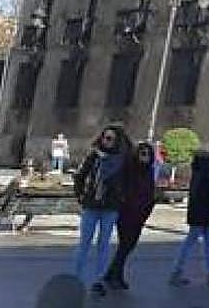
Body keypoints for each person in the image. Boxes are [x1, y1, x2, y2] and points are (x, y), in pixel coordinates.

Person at [72, 126, 129, 297]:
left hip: (110, 207)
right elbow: (80, 175)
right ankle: (76, 278)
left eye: (110, 139)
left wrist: (122, 198)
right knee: (84, 243)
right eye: (105, 138)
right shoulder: (95, 156)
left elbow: (127, 182)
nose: (106, 141)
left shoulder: (122, 160)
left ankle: (98, 280)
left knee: (103, 245)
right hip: (91, 205)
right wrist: (80, 195)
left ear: (117, 140)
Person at [169, 136, 209, 286]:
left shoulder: (200, 163)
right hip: (205, 207)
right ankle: (177, 270)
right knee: (193, 240)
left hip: (197, 205)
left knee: (206, 239)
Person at [103, 141, 157, 291]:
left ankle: (111, 273)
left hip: (141, 213)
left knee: (128, 246)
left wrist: (150, 204)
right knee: (125, 244)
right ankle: (116, 276)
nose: (144, 157)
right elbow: (114, 182)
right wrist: (123, 198)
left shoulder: (149, 171)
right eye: (142, 153)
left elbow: (150, 191)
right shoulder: (130, 169)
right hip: (127, 212)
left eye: (147, 154)